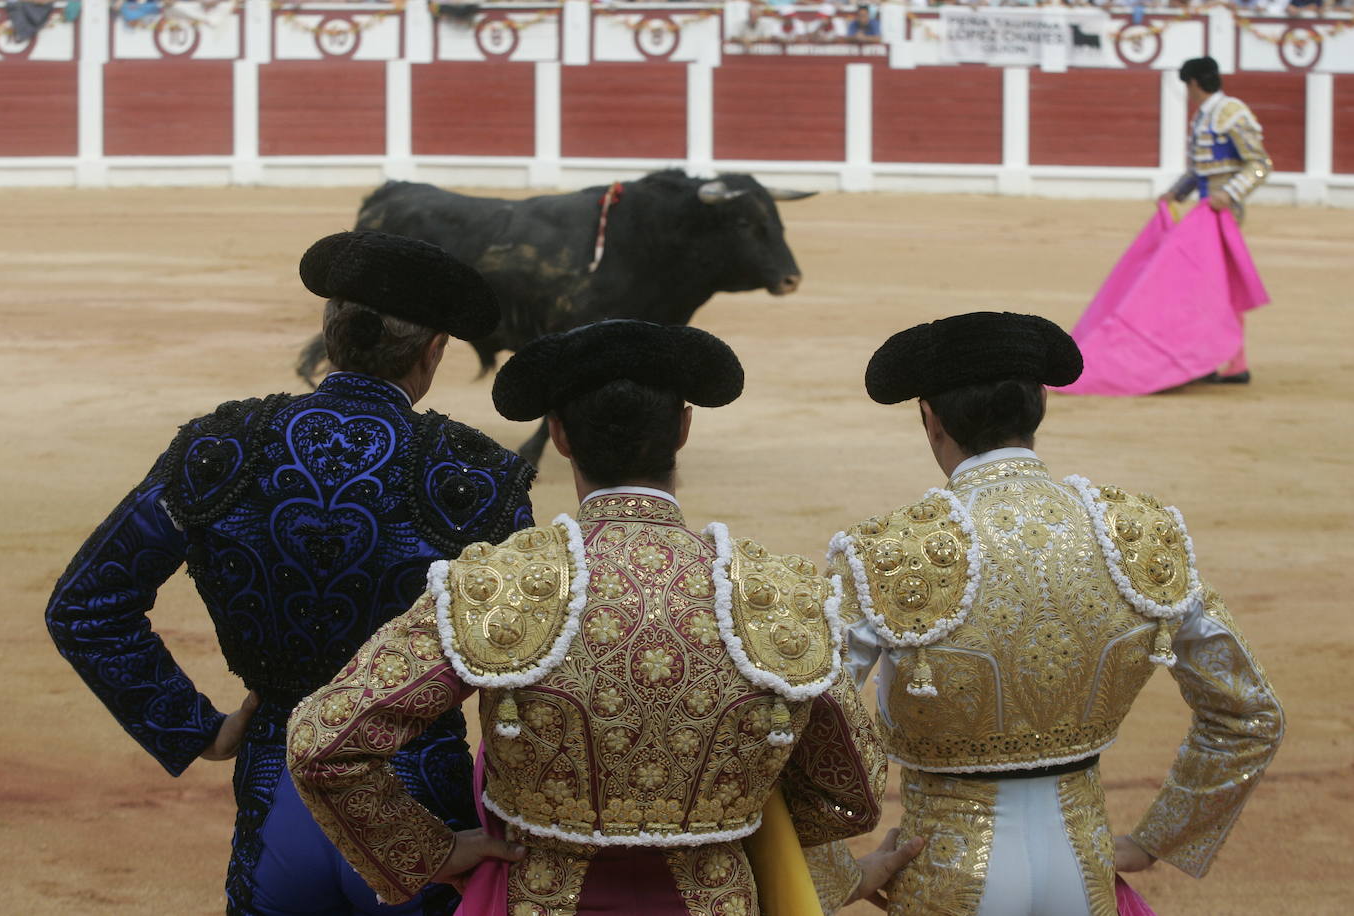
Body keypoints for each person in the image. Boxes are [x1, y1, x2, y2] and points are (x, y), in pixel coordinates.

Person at [288, 320, 918, 915]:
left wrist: (431, 851)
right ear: (683, 430)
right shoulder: (776, 594)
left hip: (541, 893)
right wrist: (735, 810)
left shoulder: (499, 586)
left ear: (559, 434)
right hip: (713, 896)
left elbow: (324, 743)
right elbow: (854, 791)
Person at [46, 230, 536, 915]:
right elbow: (533, 663)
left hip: (277, 782)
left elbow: (86, 605)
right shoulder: (477, 475)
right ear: (432, 352)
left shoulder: (220, 448)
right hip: (419, 800)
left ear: (330, 332)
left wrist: (194, 727)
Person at [816, 312, 1284, 915]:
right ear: (1041, 403)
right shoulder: (1138, 535)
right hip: (1082, 861)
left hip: (943, 868)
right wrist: (1156, 838)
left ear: (929, 421)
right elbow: (1249, 715)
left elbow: (803, 724)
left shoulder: (884, 553)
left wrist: (835, 872)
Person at [1160, 56, 1273, 383]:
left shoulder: (1230, 112)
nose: (1188, 92)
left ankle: (1235, 363)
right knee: (1203, 286)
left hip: (1223, 214)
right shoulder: (1205, 115)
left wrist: (1232, 193)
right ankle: (1211, 358)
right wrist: (1176, 193)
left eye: (1187, 86)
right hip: (1204, 213)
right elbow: (1201, 170)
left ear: (1194, 83)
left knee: (1220, 288)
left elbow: (1260, 163)